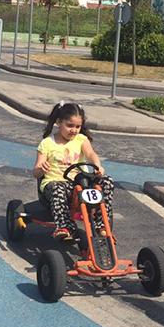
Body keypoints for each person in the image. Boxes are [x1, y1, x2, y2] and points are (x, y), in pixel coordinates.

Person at [33, 101, 114, 242]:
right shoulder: (47, 143)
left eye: (78, 126)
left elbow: (91, 154)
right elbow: (36, 171)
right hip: (55, 184)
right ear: (59, 122)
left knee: (106, 181)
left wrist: (97, 165)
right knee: (57, 187)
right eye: (69, 125)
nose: (74, 130)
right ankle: (65, 227)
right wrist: (41, 168)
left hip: (80, 184)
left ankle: (101, 224)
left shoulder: (81, 140)